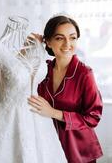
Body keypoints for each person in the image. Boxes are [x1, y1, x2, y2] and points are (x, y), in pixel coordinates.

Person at [0, 16, 67, 163]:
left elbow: (22, 65)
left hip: (39, 114)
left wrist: (34, 44)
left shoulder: (34, 45)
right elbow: (6, 83)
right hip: (11, 115)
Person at [28, 15, 103, 163]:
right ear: (48, 42)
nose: (67, 43)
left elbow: (93, 117)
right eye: (59, 38)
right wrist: (29, 47)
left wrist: (53, 113)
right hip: (47, 147)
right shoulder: (42, 70)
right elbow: (13, 74)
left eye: (73, 38)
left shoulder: (85, 74)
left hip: (78, 152)